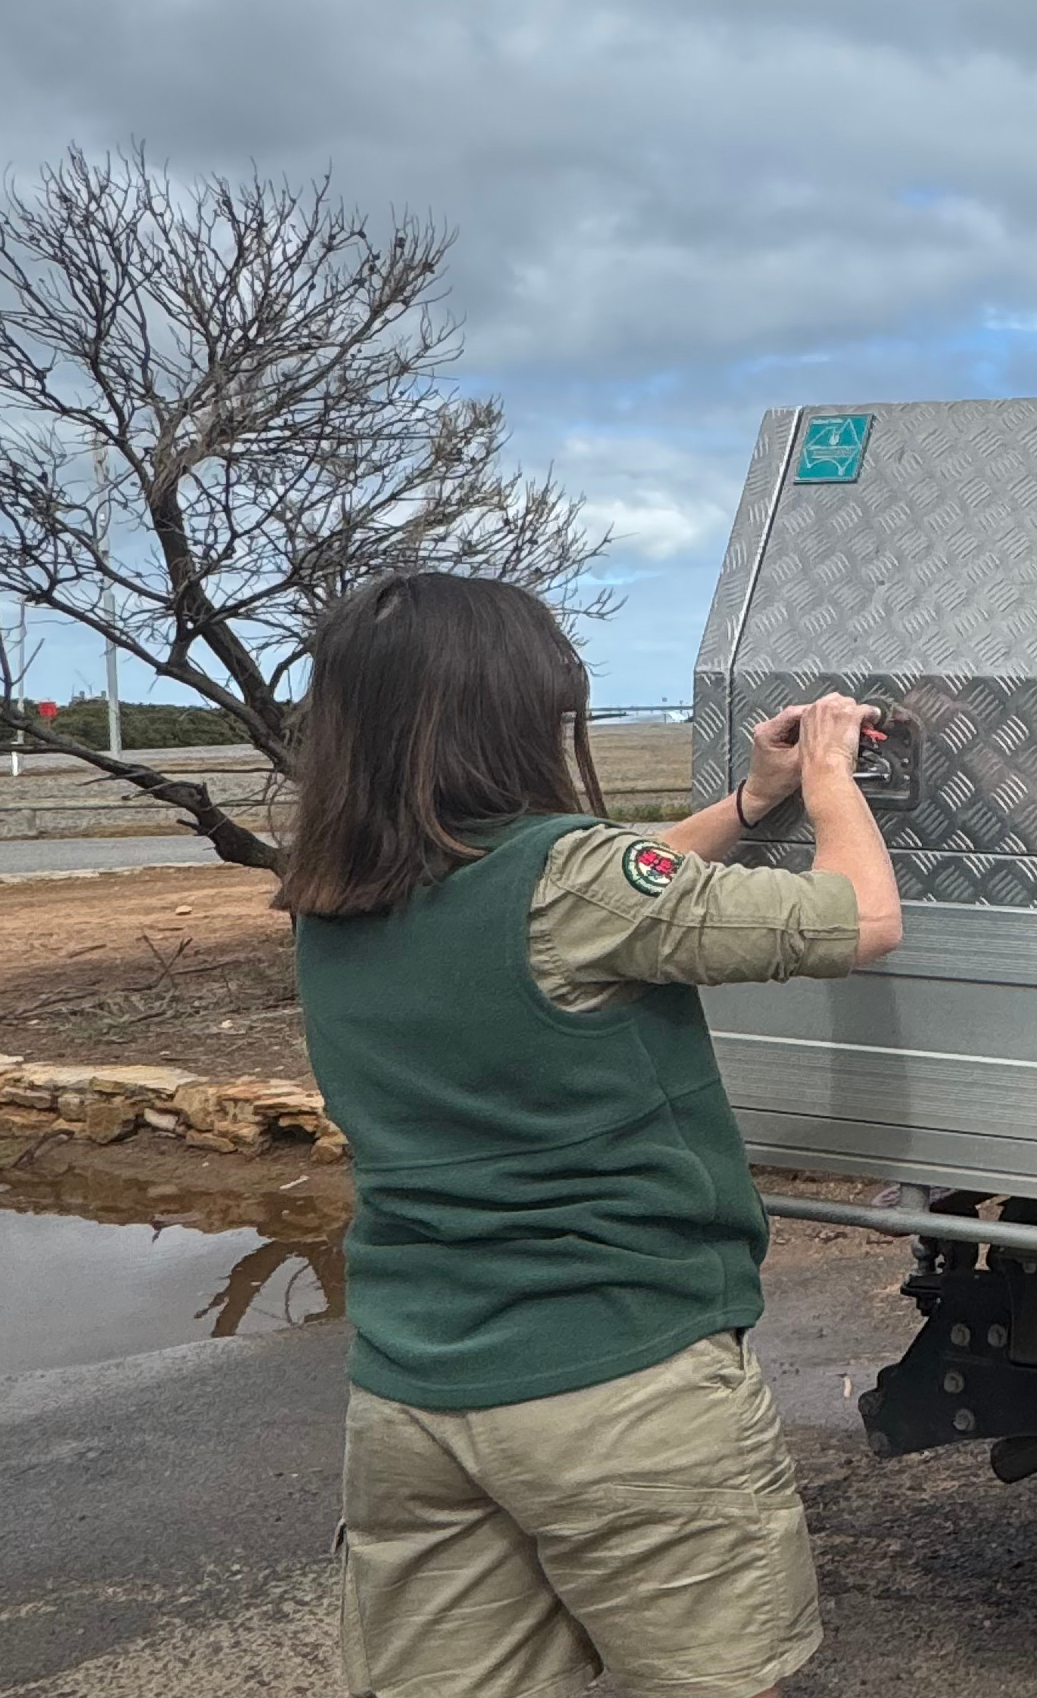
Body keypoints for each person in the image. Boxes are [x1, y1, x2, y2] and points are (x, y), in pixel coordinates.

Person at [275, 571, 903, 1698]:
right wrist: (827, 778)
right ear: (511, 714)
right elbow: (859, 918)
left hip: (414, 1402)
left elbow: (606, 890)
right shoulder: (571, 881)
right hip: (620, 1390)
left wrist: (746, 806)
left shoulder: (337, 897)